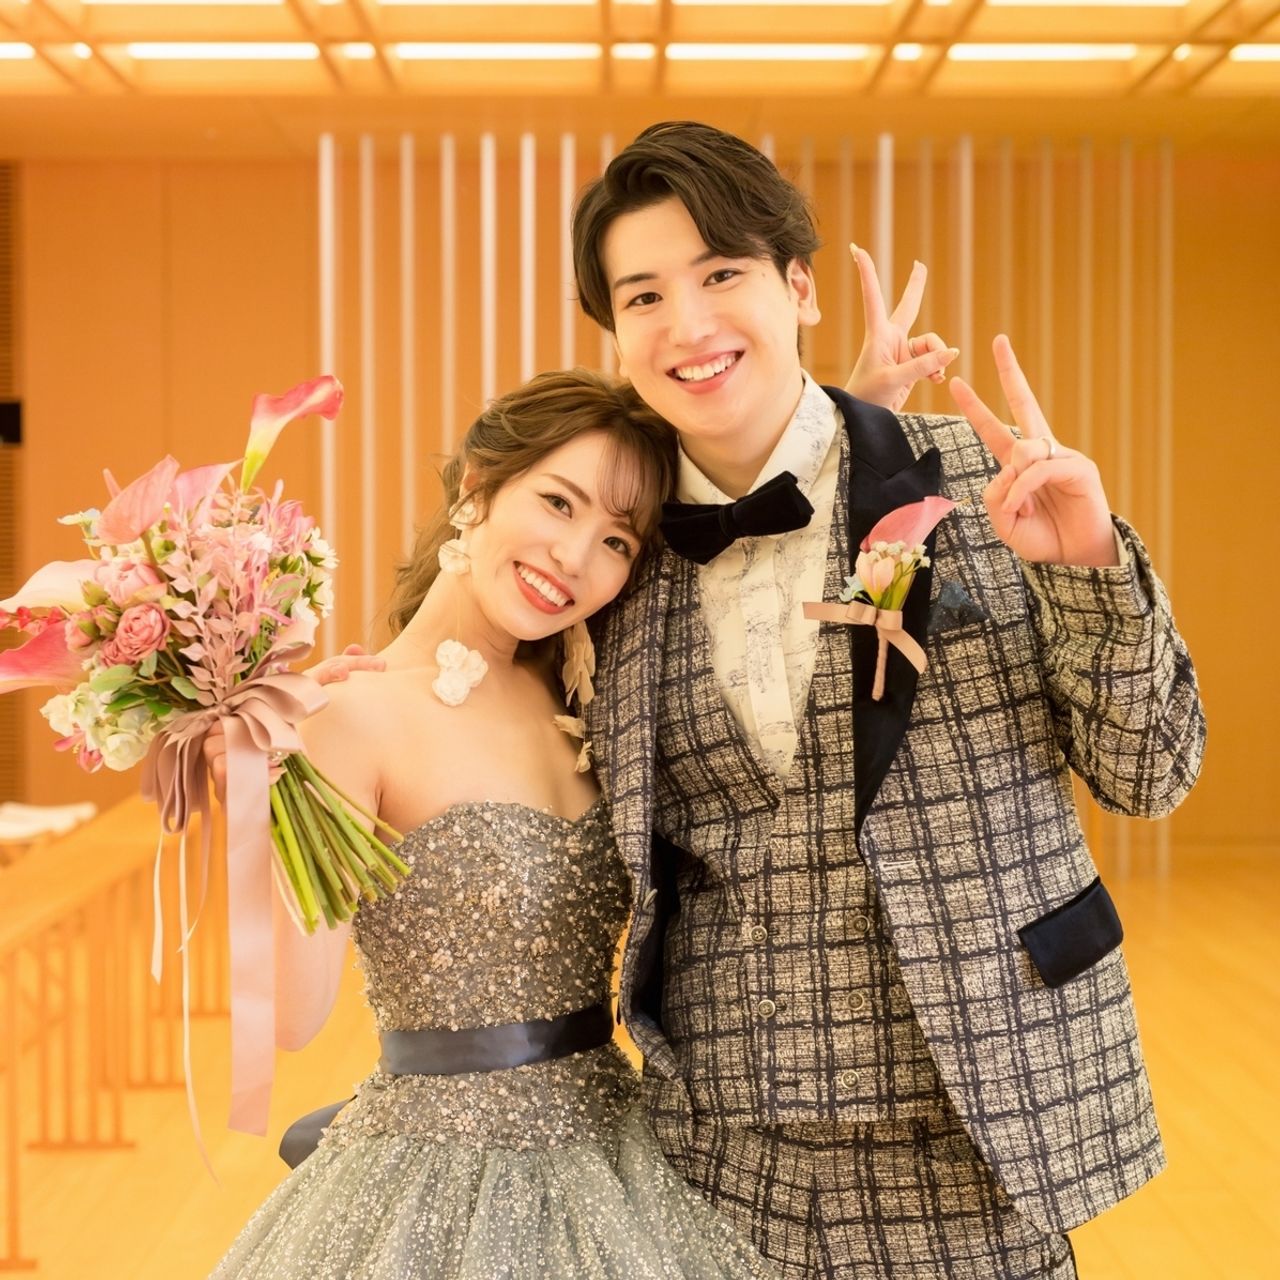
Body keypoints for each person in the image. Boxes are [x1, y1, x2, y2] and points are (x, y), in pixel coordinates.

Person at [564, 122, 1206, 1278]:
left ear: (797, 286)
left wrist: (1089, 568)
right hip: (718, 1141)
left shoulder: (987, 480)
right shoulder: (613, 551)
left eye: (720, 274)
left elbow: (1148, 774)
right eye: (642, 295)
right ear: (614, 330)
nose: (687, 324)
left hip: (973, 1120)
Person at [207, 369, 783, 1278]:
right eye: (558, 502)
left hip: (621, 1159)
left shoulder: (586, 700)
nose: (574, 557)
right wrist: (261, 791)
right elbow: (294, 1017)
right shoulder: (347, 716)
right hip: (432, 1175)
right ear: (478, 484)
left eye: (617, 541)